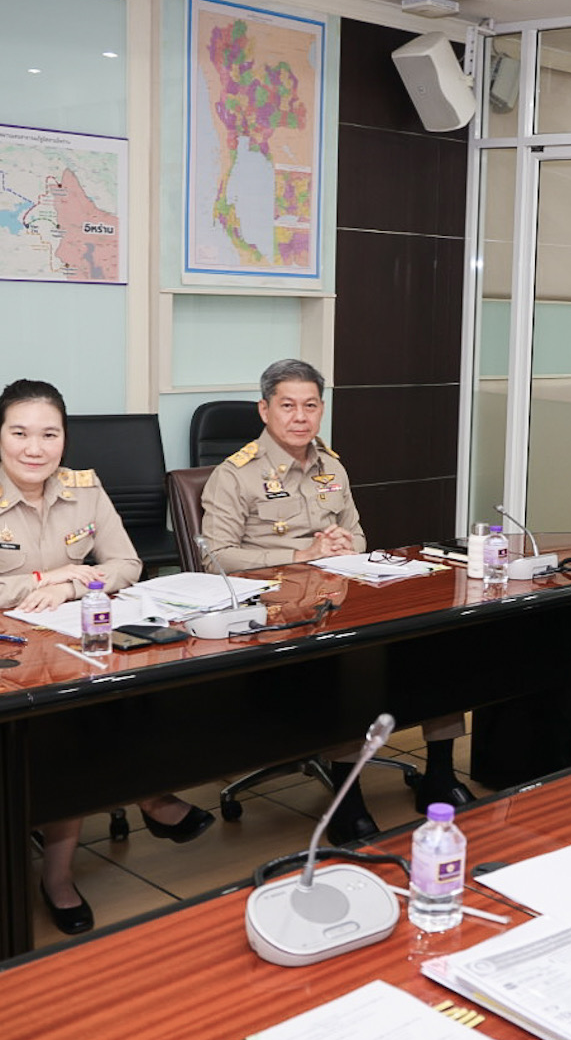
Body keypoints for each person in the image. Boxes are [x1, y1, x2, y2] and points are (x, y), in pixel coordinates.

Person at [0, 379, 213, 936]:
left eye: (49, 434)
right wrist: (43, 578)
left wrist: (69, 587)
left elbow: (126, 564)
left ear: (64, 439)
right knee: (71, 724)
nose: (35, 448)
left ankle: (142, 795)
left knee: (137, 687)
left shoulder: (85, 489)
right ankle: (73, 864)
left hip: (71, 640)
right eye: (20, 433)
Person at [201, 358, 471, 839]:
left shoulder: (333, 466)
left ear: (321, 410)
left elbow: (359, 537)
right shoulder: (235, 475)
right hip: (277, 612)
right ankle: (347, 798)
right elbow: (215, 558)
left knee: (433, 641)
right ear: (264, 410)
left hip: (340, 596)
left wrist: (345, 545)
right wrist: (300, 554)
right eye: (288, 406)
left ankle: (440, 774)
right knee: (349, 664)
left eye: (310, 406)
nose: (300, 417)